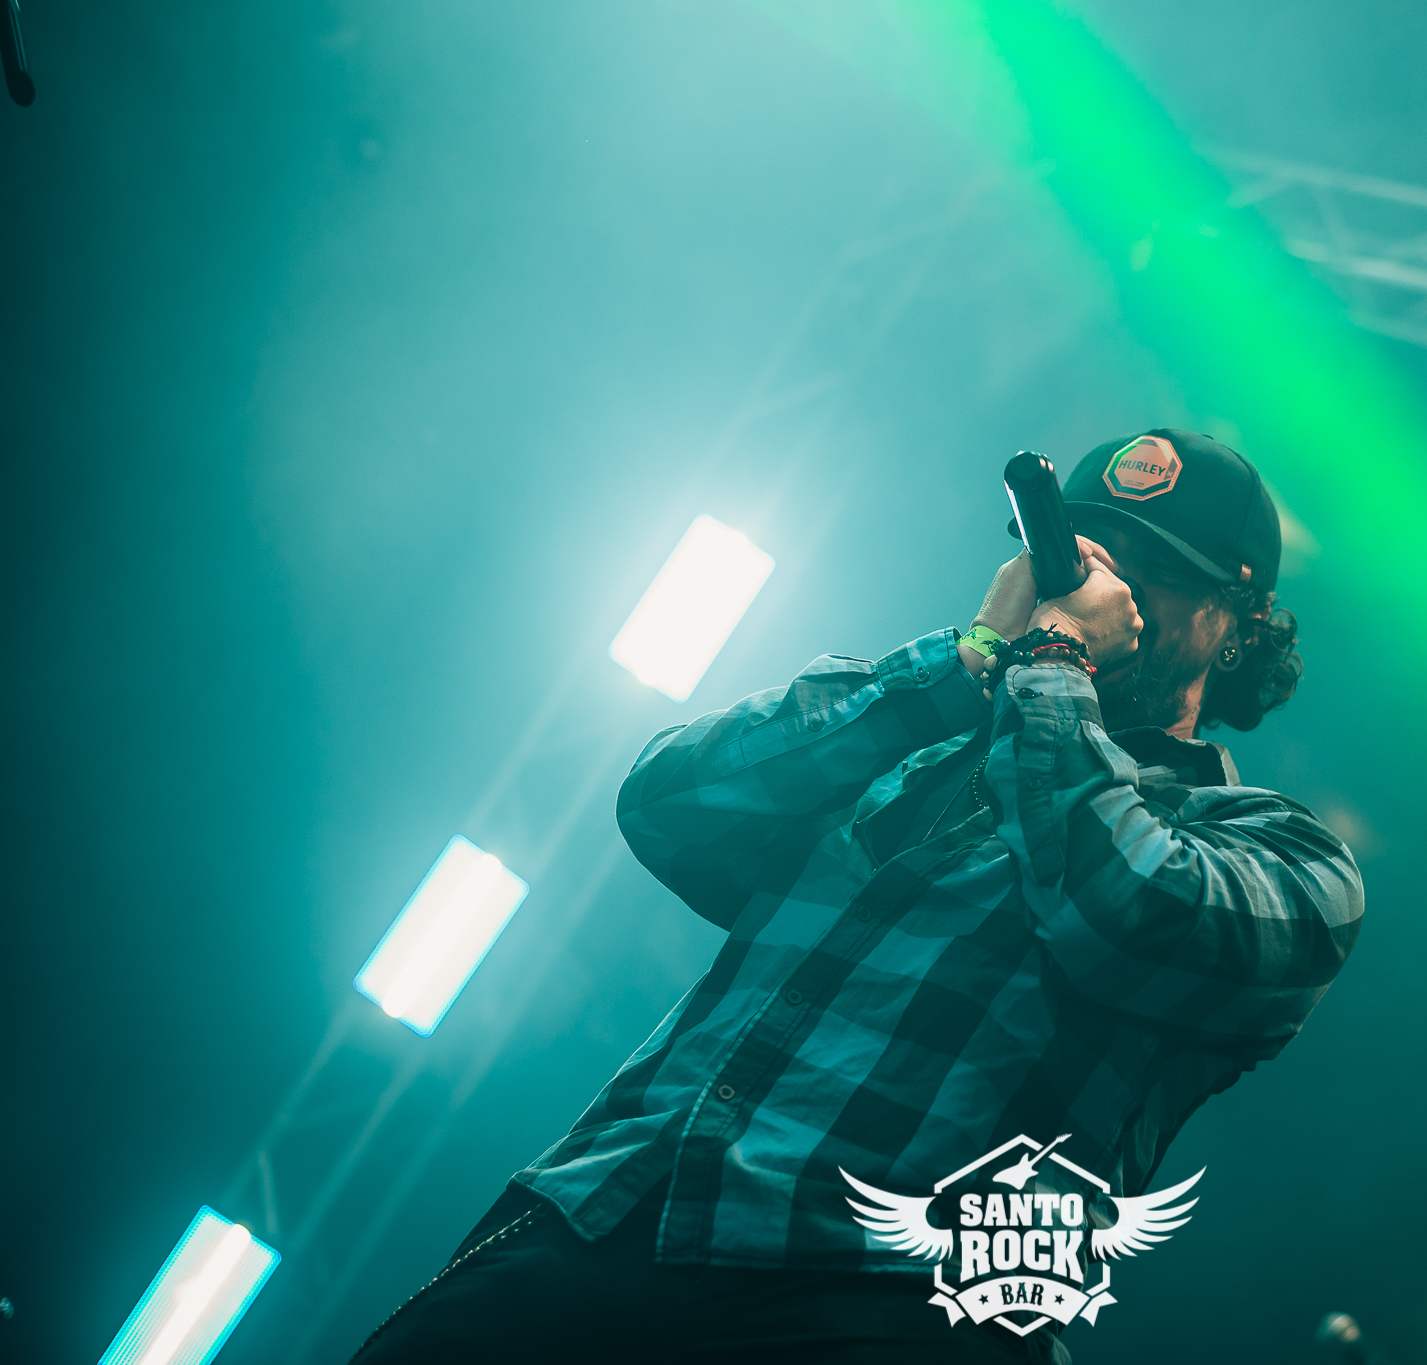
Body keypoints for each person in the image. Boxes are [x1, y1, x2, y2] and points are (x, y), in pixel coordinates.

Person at [352, 429, 1364, 1363]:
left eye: (1151, 570)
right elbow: (668, 803)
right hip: (604, 1216)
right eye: (1083, 555)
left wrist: (1053, 659)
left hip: (895, 1300)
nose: (1104, 585)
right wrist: (971, 659)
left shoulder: (1281, 855)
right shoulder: (910, 746)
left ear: (1238, 628)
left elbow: (1118, 909)